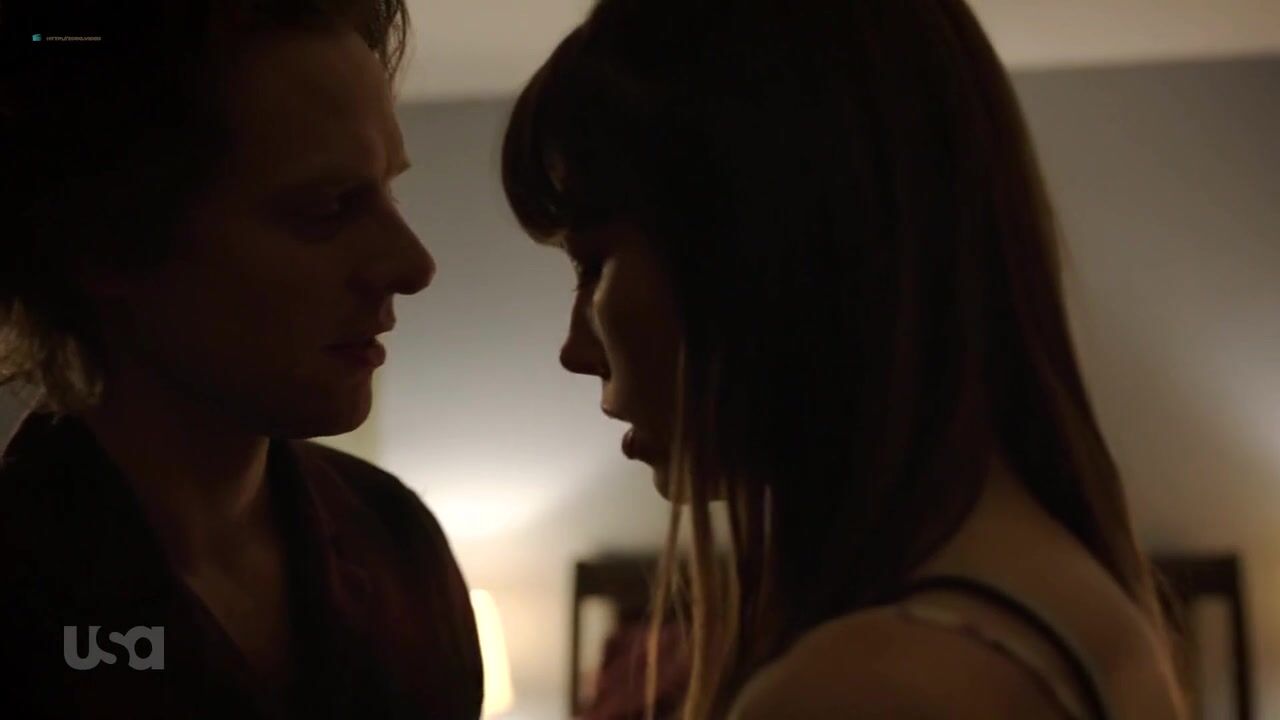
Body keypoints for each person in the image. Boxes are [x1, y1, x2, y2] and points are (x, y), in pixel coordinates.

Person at [502, 0, 1189, 718]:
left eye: (595, 262)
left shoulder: (868, 688)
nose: (575, 352)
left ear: (752, 238)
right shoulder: (1069, 601)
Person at [0, 1, 482, 718]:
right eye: (327, 208)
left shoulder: (395, 542)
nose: (413, 265)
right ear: (109, 242)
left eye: (389, 190)